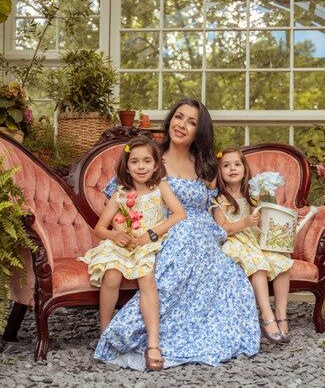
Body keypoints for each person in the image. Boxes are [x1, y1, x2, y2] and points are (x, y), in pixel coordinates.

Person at [94, 98, 260, 371]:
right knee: (184, 240)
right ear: (170, 119)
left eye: (192, 122)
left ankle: (205, 330)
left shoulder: (205, 167)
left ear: (199, 130)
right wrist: (126, 233)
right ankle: (139, 335)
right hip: (165, 231)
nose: (182, 125)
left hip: (205, 234)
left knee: (229, 273)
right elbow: (122, 201)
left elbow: (228, 198)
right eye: (179, 117)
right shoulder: (149, 157)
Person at [79, 137, 186, 371]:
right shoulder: (120, 194)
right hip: (122, 244)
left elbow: (179, 214)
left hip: (147, 243)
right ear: (126, 166)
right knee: (112, 275)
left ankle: (153, 343)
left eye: (147, 161)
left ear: (156, 165)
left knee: (147, 279)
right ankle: (105, 331)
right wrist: (116, 236)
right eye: (135, 162)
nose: (141, 167)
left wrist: (152, 234)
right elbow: (99, 228)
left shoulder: (160, 188)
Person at [213, 148, 294, 344]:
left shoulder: (252, 195)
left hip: (253, 240)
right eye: (226, 165)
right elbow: (221, 230)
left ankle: (281, 314)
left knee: (282, 264)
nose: (232, 168)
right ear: (220, 171)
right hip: (234, 242)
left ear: (244, 169)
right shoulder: (220, 200)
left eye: (237, 164)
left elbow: (264, 218)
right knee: (257, 265)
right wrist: (245, 223)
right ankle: (266, 317)